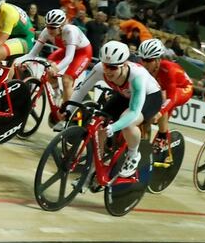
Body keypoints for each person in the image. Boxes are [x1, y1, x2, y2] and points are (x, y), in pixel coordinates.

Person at [67, 41, 163, 179]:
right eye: (106, 66)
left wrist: (114, 126)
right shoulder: (100, 68)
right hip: (124, 94)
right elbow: (81, 89)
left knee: (128, 123)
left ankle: (133, 154)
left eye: (113, 68)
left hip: (150, 96)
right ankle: (92, 171)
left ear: (124, 65)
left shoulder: (137, 76)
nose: (107, 71)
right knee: (99, 123)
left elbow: (134, 111)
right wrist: (69, 109)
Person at [21, 8, 92, 125]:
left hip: (83, 53)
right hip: (66, 49)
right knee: (47, 65)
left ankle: (67, 115)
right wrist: (23, 62)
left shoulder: (70, 31)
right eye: (47, 26)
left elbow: (69, 58)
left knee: (67, 79)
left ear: (62, 25)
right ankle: (57, 94)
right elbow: (33, 53)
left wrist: (57, 68)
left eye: (53, 27)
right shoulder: (46, 31)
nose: (49, 30)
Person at [137, 39, 193, 147]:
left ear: (158, 60)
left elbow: (170, 98)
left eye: (148, 60)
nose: (144, 63)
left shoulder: (168, 69)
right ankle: (145, 143)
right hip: (165, 88)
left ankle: (162, 136)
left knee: (162, 101)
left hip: (183, 88)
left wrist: (159, 113)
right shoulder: (143, 67)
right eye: (142, 59)